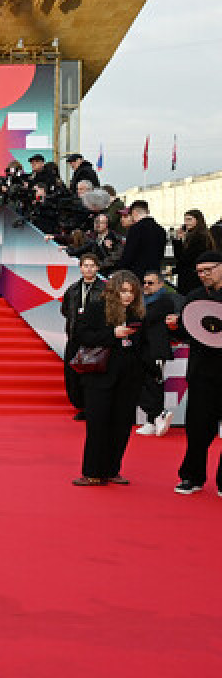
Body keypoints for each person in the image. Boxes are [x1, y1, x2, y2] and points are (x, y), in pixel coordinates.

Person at [71, 270, 149, 486]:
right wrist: (112, 335)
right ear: (113, 291)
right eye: (123, 291)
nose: (128, 296)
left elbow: (143, 345)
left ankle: (113, 469)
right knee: (98, 425)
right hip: (99, 376)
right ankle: (93, 472)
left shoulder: (138, 313)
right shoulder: (97, 309)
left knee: (122, 425)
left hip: (128, 378)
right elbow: (81, 335)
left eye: (132, 292)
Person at [166, 250, 222, 494]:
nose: (204, 275)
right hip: (201, 374)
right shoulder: (194, 297)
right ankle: (192, 476)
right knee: (198, 429)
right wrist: (175, 327)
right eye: (200, 272)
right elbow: (187, 333)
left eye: (209, 270)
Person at [135, 270, 181, 436]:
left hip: (155, 350)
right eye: (144, 282)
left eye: (150, 283)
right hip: (142, 349)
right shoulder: (142, 301)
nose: (146, 286)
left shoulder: (165, 301)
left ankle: (155, 417)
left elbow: (145, 319)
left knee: (153, 385)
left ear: (161, 284)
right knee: (144, 384)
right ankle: (155, 417)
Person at [61, 253, 107, 417]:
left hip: (95, 339)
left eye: (92, 265)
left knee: (91, 374)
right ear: (80, 268)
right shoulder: (72, 289)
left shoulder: (104, 290)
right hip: (75, 337)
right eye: (85, 265)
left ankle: (90, 407)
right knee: (71, 373)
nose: (89, 268)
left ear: (97, 268)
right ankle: (79, 405)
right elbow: (65, 310)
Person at [117, 200, 166, 278]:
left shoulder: (135, 229)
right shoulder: (161, 229)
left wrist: (120, 268)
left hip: (136, 274)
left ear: (134, 212)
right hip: (154, 274)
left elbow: (129, 254)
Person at [172, 209, 216, 295]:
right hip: (191, 275)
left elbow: (185, 258)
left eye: (189, 219)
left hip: (192, 277)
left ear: (197, 220)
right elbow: (180, 256)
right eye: (185, 220)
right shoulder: (192, 236)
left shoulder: (200, 237)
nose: (186, 223)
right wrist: (178, 240)